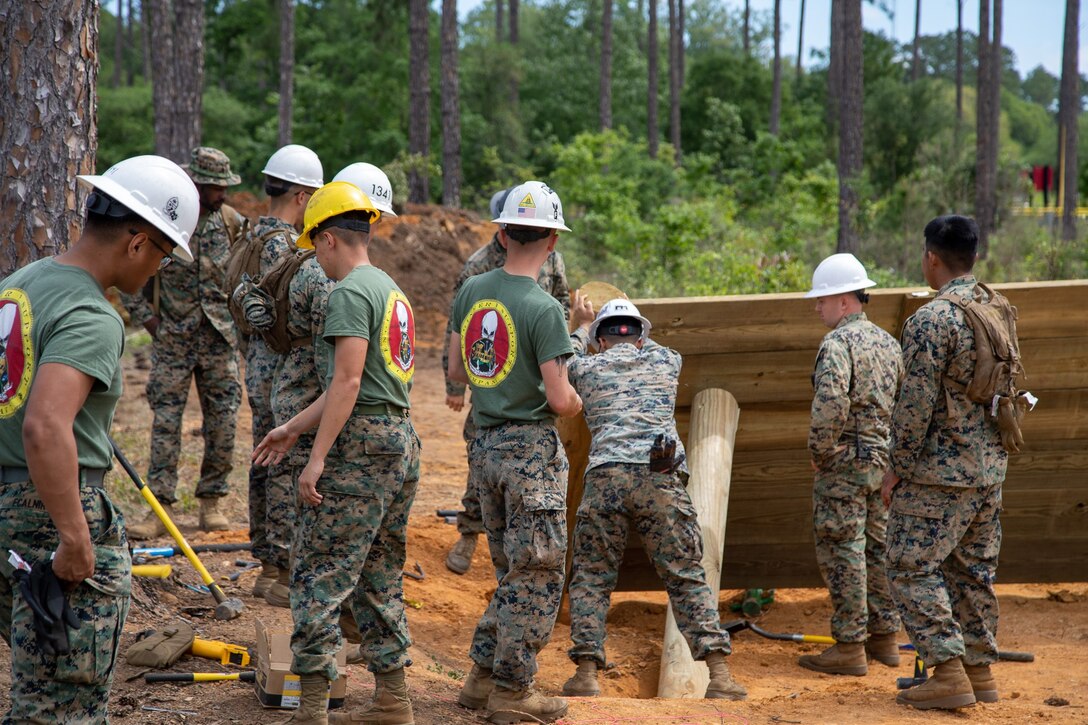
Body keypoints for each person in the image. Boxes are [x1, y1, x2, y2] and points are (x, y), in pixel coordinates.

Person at [0, 155, 197, 722]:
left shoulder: (21, 284)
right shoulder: (92, 312)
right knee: (63, 705)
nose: (158, 269)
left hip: (10, 506)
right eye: (162, 253)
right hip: (48, 505)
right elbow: (44, 424)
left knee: (40, 679)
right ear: (137, 243)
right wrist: (74, 535)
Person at [253, 181, 419, 725]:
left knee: (319, 574)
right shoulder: (389, 288)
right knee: (377, 573)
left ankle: (313, 711)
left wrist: (318, 457)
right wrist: (294, 430)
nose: (313, 259)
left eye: (311, 246)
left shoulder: (348, 292)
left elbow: (347, 385)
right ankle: (393, 698)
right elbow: (356, 384)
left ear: (327, 240)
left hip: (360, 448)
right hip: (397, 444)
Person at [561, 297, 748, 701]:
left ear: (602, 341)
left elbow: (568, 357)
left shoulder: (586, 367)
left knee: (592, 577)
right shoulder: (666, 362)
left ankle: (587, 675)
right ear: (640, 336)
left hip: (605, 477)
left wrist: (580, 324)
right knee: (685, 576)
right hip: (659, 478)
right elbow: (652, 344)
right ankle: (719, 676)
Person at [448, 181, 582, 724]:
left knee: (513, 570)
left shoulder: (472, 290)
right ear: (551, 241)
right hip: (531, 452)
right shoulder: (546, 309)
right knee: (540, 572)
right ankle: (513, 688)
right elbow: (559, 398)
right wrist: (575, 398)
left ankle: (482, 676)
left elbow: (458, 372)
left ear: (502, 234)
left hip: (484, 447)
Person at [882, 215, 1006, 710]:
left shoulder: (932, 320)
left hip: (939, 473)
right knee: (971, 571)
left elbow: (913, 406)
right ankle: (979, 674)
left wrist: (897, 467)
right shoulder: (995, 307)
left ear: (931, 257)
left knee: (908, 567)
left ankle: (948, 672)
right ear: (973, 257)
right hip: (988, 469)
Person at [442, 187, 570, 575]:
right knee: (532, 571)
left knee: (511, 557)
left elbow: (456, 359)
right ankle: (469, 531)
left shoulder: (482, 287)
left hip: (513, 396)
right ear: (553, 238)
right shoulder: (477, 270)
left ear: (503, 231)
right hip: (516, 417)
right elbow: (459, 330)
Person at [125, 146, 245, 538]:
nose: (222, 194)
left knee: (224, 423)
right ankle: (158, 509)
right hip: (173, 339)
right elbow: (127, 269)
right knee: (165, 425)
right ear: (197, 184)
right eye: (215, 187)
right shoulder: (168, 221)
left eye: (225, 186)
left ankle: (211, 501)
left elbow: (250, 277)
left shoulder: (234, 224)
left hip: (219, 340)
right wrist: (148, 319)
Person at [797, 254, 903, 677]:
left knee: (843, 550)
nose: (816, 307)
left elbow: (831, 403)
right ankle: (885, 639)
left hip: (844, 460)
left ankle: (849, 647)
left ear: (844, 302)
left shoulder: (837, 344)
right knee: (877, 548)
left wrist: (821, 453)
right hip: (881, 461)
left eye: (822, 299)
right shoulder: (889, 343)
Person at [241, 144, 324, 605]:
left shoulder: (251, 236)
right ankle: (278, 569)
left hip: (258, 364)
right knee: (280, 463)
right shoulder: (285, 246)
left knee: (262, 459)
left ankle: (268, 565)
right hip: (280, 370)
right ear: (301, 195)